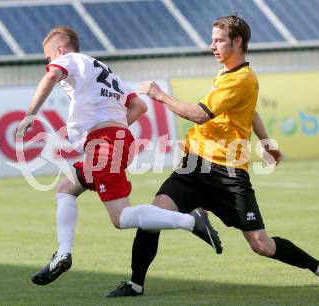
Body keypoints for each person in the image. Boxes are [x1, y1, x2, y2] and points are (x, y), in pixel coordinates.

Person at [106, 15, 319, 297]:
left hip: (228, 174)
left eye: (218, 40)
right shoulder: (226, 73)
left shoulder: (242, 78)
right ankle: (135, 284)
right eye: (212, 39)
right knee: (152, 218)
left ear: (237, 41)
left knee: (262, 244)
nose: (211, 45)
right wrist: (266, 140)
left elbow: (200, 115)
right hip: (194, 165)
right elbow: (249, 112)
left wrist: (159, 94)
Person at [16, 26, 223, 286]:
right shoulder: (102, 70)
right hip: (113, 140)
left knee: (121, 218)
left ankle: (190, 220)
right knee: (66, 188)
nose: (50, 63)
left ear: (60, 50)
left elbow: (51, 77)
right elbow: (139, 106)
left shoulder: (69, 60)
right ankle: (63, 254)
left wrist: (30, 115)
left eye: (49, 58)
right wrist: (113, 127)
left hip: (104, 144)